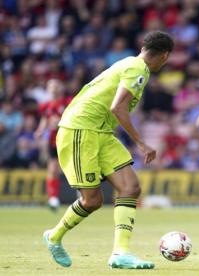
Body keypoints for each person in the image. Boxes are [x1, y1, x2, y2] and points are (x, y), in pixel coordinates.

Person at [42, 31, 174, 269]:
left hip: (101, 132)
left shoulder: (129, 63)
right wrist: (140, 142)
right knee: (92, 201)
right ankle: (54, 236)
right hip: (80, 130)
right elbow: (118, 108)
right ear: (165, 56)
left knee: (130, 188)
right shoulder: (138, 69)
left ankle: (120, 253)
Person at [35, 79, 72, 211]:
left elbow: (75, 117)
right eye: (50, 86)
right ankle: (53, 198)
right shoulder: (46, 106)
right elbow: (45, 119)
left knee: (73, 168)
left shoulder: (68, 102)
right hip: (54, 141)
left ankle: (83, 193)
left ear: (61, 88)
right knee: (52, 169)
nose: (53, 88)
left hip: (69, 140)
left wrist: (61, 121)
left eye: (56, 85)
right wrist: (40, 130)